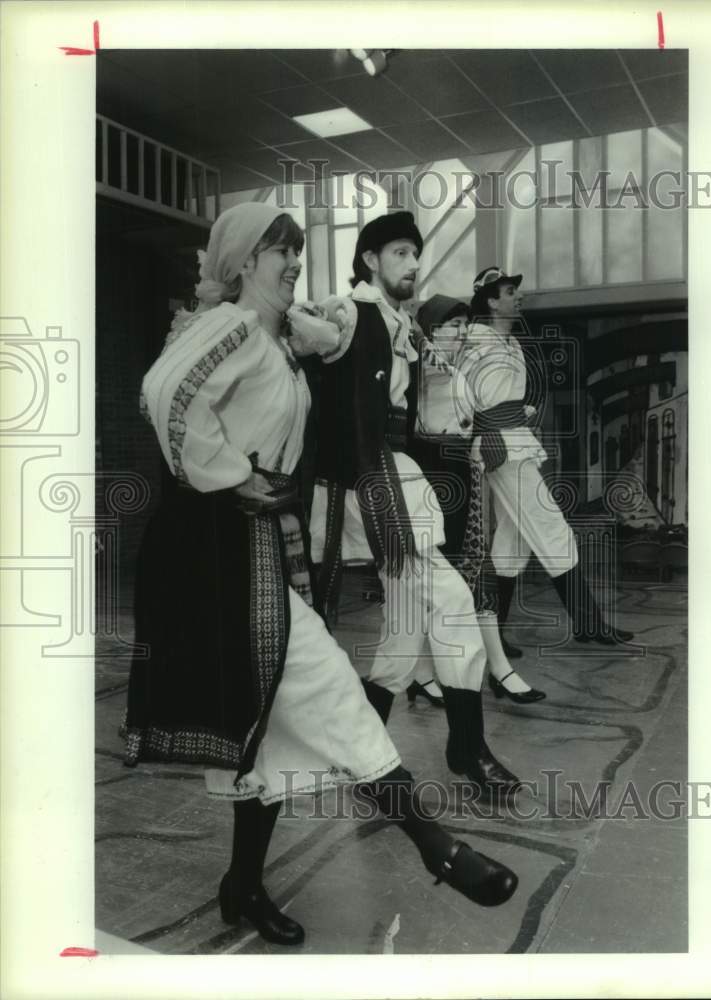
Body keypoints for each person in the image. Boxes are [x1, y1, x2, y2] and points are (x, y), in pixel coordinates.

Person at [123, 204, 519, 950]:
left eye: (299, 249)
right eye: (281, 250)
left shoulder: (274, 337)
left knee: (268, 721)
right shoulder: (231, 326)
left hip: (260, 539)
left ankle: (242, 883)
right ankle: (435, 845)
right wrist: (231, 474)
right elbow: (163, 391)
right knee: (329, 683)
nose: (295, 261)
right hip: (220, 544)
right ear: (244, 261)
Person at [309, 212, 521, 798]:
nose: (412, 264)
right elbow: (317, 364)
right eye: (400, 253)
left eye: (415, 254)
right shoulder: (348, 312)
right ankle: (467, 749)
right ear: (370, 259)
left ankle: (365, 760)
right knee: (453, 604)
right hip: (372, 482)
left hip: (394, 472)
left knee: (404, 629)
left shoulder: (397, 320)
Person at [462, 266, 635, 649]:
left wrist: (518, 412)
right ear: (492, 302)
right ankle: (589, 624)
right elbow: (464, 396)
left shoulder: (510, 342)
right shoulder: (475, 341)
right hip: (501, 448)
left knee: (512, 543)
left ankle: (491, 636)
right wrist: (488, 429)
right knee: (553, 528)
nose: (518, 296)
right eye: (509, 291)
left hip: (515, 441)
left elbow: (504, 394)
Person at [409, 294, 547, 706]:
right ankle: (494, 672)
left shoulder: (456, 369)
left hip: (461, 471)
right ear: (433, 330)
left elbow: (478, 414)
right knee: (447, 578)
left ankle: (432, 673)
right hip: (434, 470)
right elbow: (419, 352)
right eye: (453, 325)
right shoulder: (424, 362)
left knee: (459, 576)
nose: (462, 331)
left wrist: (515, 412)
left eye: (464, 324)